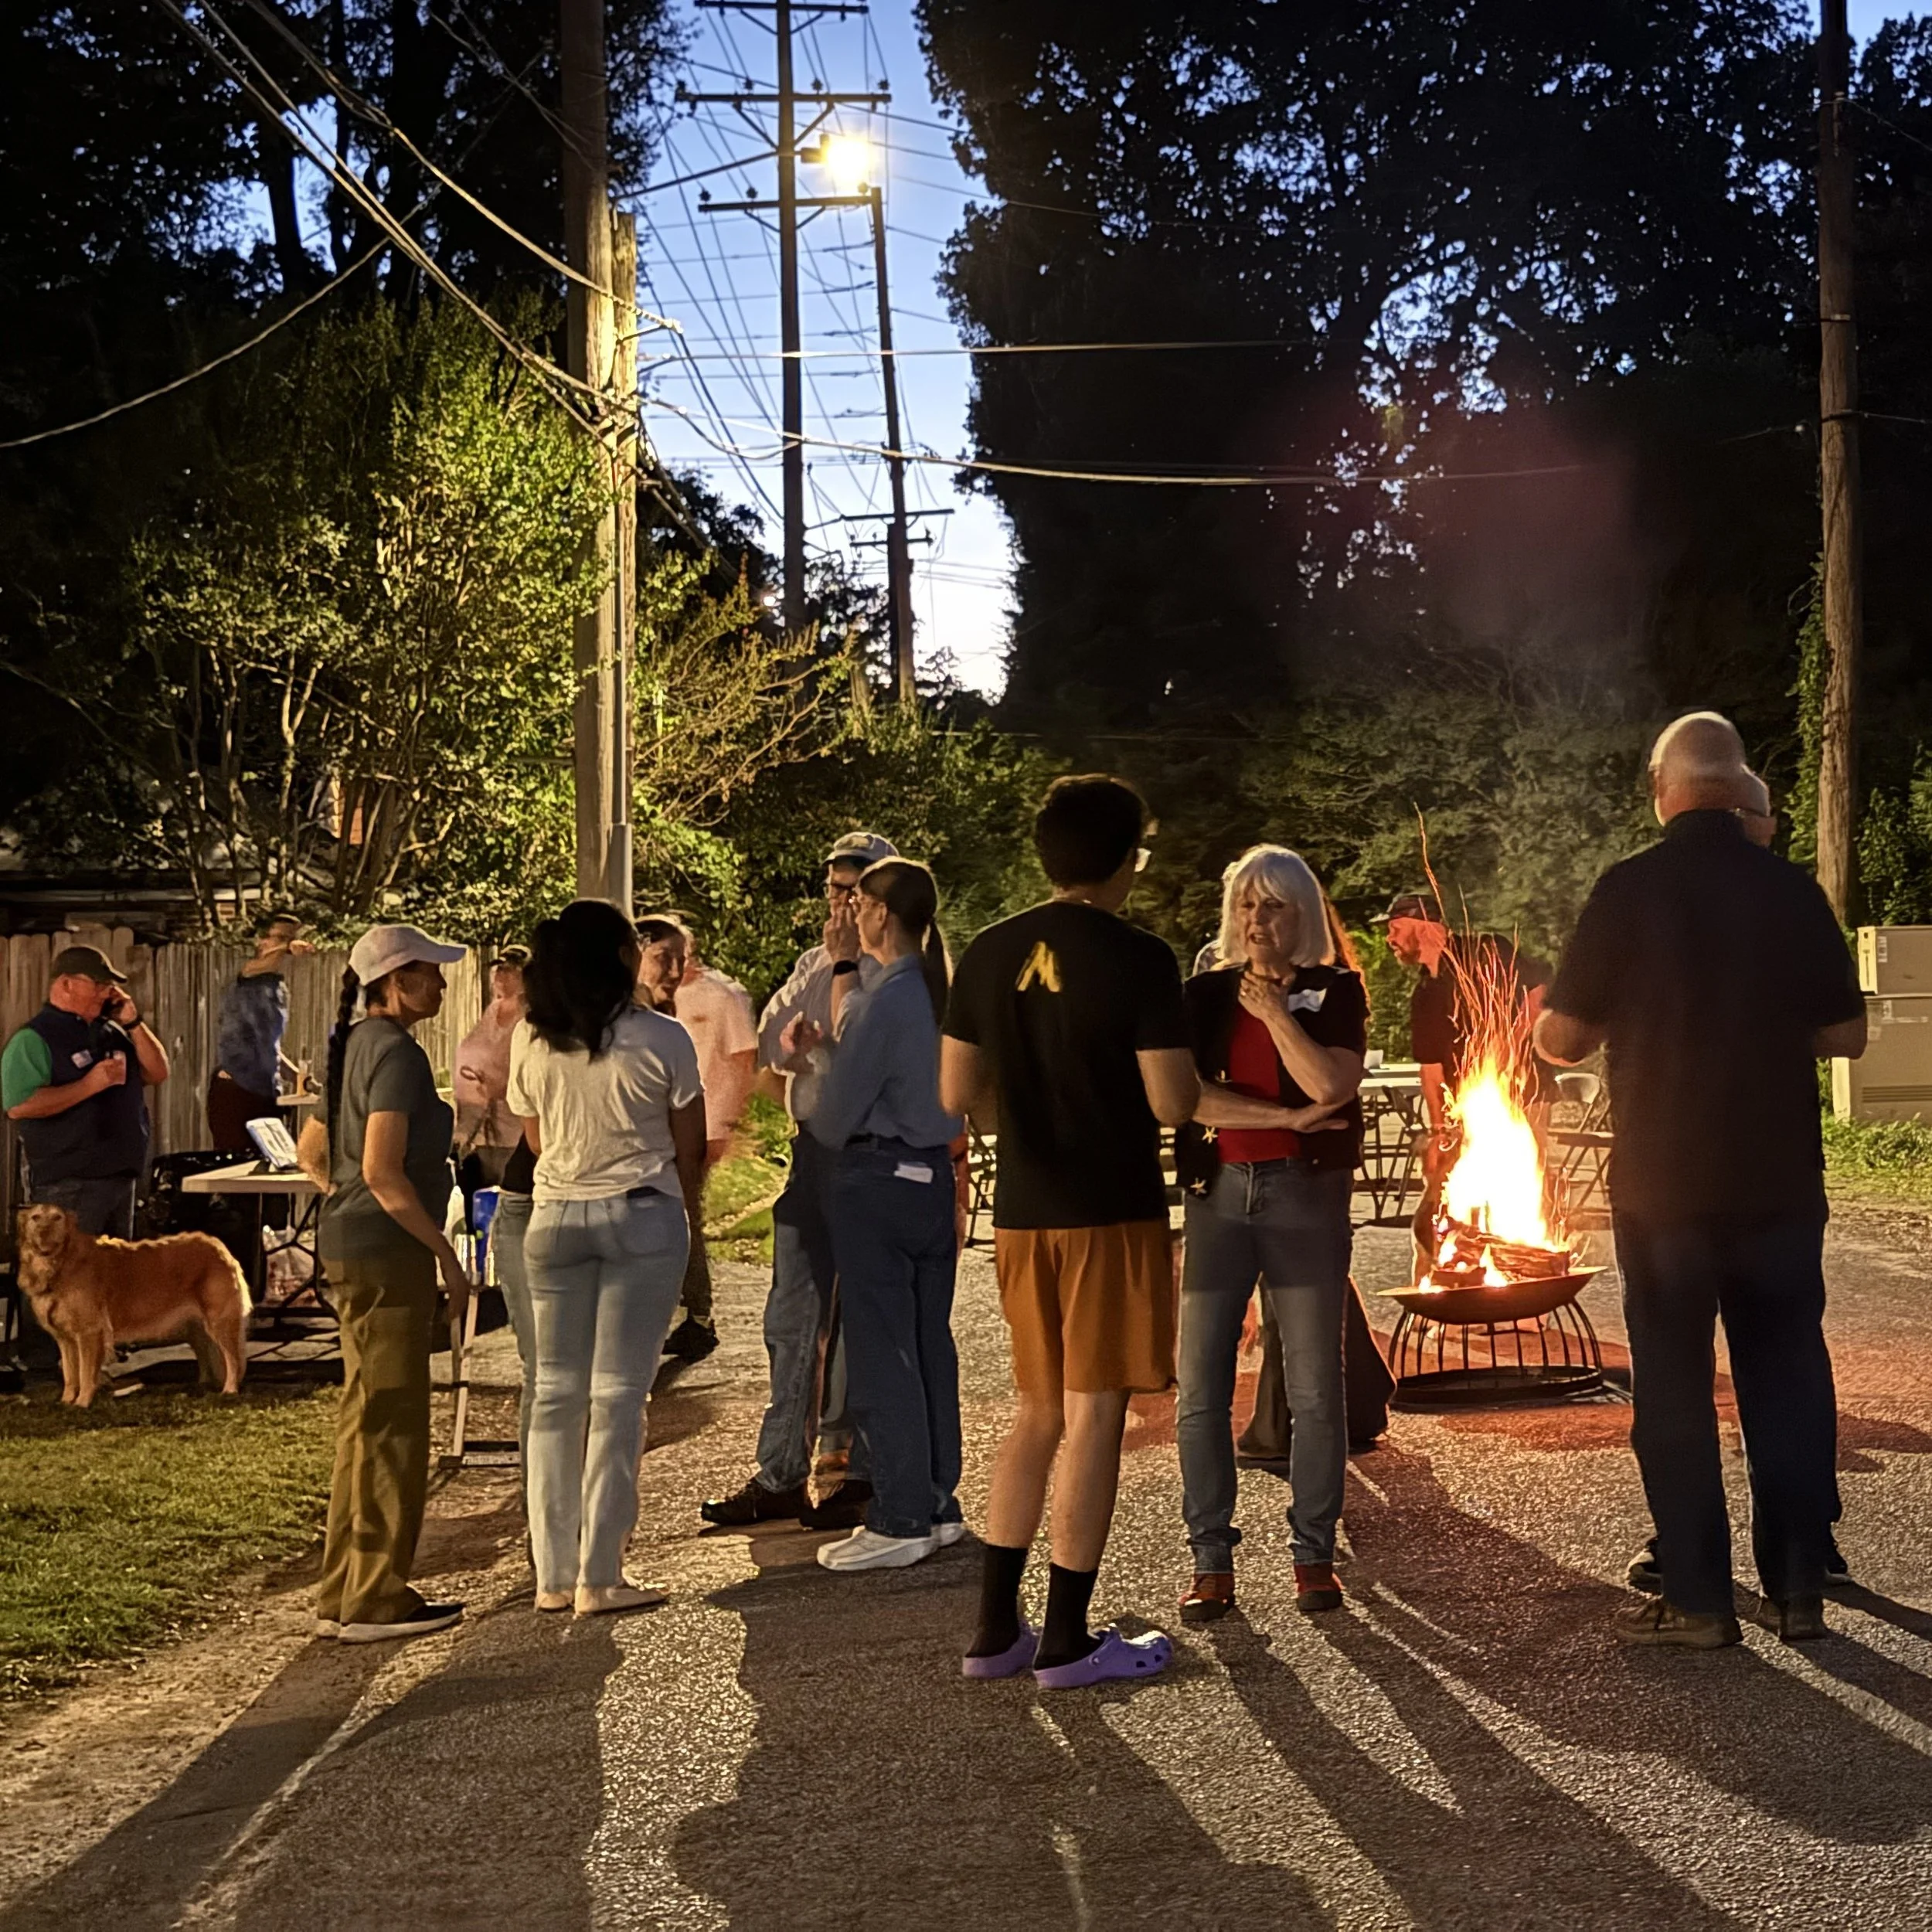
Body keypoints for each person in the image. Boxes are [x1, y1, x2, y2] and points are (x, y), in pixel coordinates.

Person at [1536, 711, 1867, 1648]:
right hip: (1777, 1178)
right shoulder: (1790, 890)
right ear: (1739, 784)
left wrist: (1558, 1023)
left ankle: (1696, 1599)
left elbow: (1564, 1038)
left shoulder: (1626, 890)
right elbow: (1847, 1034)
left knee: (1675, 1386)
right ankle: (1797, 1588)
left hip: (1664, 1186)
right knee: (1786, 1375)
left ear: (1660, 789)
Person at [941, 776, 1199, 1689]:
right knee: (1096, 1415)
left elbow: (954, 1091)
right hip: (1110, 1208)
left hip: (1023, 1212)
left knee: (1037, 1412)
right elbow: (1173, 1100)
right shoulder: (1140, 957)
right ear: (1127, 857)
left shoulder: (987, 950)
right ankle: (1067, 1638)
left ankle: (993, 1631)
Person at [1172, 846, 1368, 1623]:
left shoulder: (1335, 989)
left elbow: (1331, 1084)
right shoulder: (1204, 994)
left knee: (1315, 1388)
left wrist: (1276, 1016)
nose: (1257, 920)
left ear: (1302, 913)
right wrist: (1287, 1118)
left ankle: (1313, 1554)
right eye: (1247, 905)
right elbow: (1189, 1099)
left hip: (1305, 1196)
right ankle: (1210, 1560)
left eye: (1275, 905)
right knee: (1200, 1389)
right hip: (1217, 1195)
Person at [509, 900, 706, 1617]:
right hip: (641, 1213)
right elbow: (689, 1144)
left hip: (555, 1218)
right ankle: (601, 1573)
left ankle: (552, 1574)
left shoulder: (532, 1039)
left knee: (555, 1396)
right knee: (620, 1397)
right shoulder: (663, 1037)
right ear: (622, 958)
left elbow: (534, 1139)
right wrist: (688, 1216)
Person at [699, 832, 898, 1533]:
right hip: (812, 1152)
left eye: (854, 891)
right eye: (833, 889)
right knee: (791, 1320)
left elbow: (860, 1050)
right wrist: (805, 1037)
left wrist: (832, 1010)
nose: (840, 903)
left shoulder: (894, 969)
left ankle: (866, 1472)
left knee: (866, 1319)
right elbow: (773, 1035)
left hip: (869, 1154)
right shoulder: (815, 961)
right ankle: (780, 1472)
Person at [804, 859, 965, 1572]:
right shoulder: (938, 990)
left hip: (878, 1179)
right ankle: (936, 1501)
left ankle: (900, 1516)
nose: (851, 913)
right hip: (932, 1175)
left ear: (880, 913)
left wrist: (815, 1068)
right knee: (929, 1346)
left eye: (859, 902)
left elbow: (835, 1115)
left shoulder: (884, 995)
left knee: (882, 1352)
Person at [315, 923, 471, 1645]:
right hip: (388, 1252)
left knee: (364, 1417)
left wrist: (342, 1197)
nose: (441, 984)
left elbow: (317, 1151)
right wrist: (445, 1256)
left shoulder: (353, 1045)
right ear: (397, 982)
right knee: (394, 1426)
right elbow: (382, 1171)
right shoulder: (399, 1055)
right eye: (430, 972)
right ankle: (377, 1597)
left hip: (349, 1245)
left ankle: (342, 1589)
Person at [1379, 891, 1551, 1274]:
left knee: (1513, 1196)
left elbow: (1538, 994)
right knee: (1442, 1209)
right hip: (1464, 1113)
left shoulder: (1486, 950)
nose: (1390, 939)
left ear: (1423, 924)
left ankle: (1523, 1276)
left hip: (1520, 1096)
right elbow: (1431, 1070)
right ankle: (1440, 1284)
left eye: (1395, 928)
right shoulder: (1424, 994)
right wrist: (1438, 1130)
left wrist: (1505, 1049)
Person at [3, 944, 170, 1240]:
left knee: (114, 1268)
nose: (107, 993)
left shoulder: (112, 1031)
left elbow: (157, 1073)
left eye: (110, 986)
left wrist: (134, 1023)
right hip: (69, 1183)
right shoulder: (34, 1038)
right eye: (99, 984)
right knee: (69, 1267)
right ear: (66, 984)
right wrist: (88, 1086)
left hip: (120, 1178)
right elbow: (19, 1105)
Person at [632, 914, 719, 1364]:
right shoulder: (620, 1026)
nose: (674, 971)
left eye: (681, 960)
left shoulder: (668, 1024)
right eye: (663, 957)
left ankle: (696, 1316)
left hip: (667, 1166)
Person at [207, 910, 312, 1151]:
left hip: (265, 1091)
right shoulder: (246, 974)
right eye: (281, 937)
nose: (287, 944)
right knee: (238, 1169)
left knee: (274, 1165)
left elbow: (268, 1046)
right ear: (262, 941)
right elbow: (251, 969)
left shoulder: (276, 985)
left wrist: (297, 1076)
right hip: (237, 1091)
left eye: (291, 938)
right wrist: (287, 947)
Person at [453, 947, 529, 1189]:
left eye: (509, 969)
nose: (500, 974)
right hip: (478, 1131)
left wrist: (503, 1088)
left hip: (512, 1133)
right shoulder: (492, 1010)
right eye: (499, 969)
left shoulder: (529, 1018)